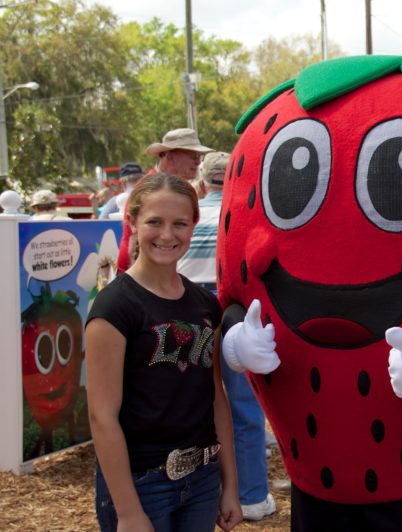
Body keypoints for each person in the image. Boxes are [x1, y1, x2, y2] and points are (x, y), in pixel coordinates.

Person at [85, 173, 243, 532]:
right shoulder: (115, 307)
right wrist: (127, 511)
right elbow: (102, 417)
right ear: (133, 222)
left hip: (202, 478)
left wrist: (230, 484)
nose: (167, 235)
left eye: (179, 224)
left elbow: (216, 397)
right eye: (154, 222)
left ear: (194, 226)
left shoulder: (206, 305)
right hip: (142, 484)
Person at [176, 152, 278, 521]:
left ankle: (197, 494)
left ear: (203, 182)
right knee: (243, 407)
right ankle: (251, 495)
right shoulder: (245, 214)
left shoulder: (189, 215)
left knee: (186, 405)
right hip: (234, 315)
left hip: (185, 316)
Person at [116, 128, 213, 272]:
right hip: (141, 278)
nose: (197, 161)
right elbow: (133, 241)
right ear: (169, 156)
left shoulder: (178, 189)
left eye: (199, 156)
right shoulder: (149, 188)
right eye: (192, 155)